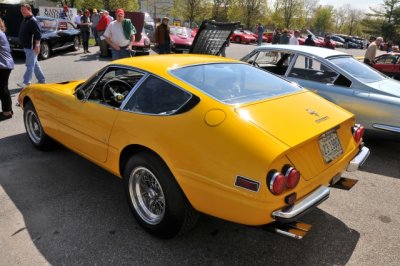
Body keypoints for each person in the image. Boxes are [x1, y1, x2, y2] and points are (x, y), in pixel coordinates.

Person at [17, 4, 45, 88]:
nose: (22, 11)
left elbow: (38, 34)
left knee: (30, 64)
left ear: (29, 10)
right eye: (21, 10)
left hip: (31, 47)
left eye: (23, 10)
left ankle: (26, 82)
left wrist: (37, 45)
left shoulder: (33, 20)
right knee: (35, 64)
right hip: (27, 47)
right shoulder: (26, 19)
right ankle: (42, 80)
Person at [0, 18, 14, 121]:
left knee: (2, 88)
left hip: (3, 65)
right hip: (5, 64)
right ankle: (8, 109)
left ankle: (7, 112)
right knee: (3, 88)